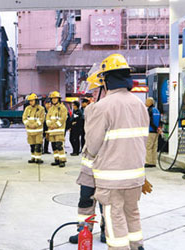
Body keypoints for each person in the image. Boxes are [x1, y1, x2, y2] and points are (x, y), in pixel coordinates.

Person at [86, 54, 151, 250]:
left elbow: (92, 147)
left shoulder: (102, 107)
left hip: (111, 178)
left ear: (106, 79)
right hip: (135, 176)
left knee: (115, 218)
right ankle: (137, 246)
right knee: (132, 212)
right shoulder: (139, 104)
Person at [69, 65, 107, 245]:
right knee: (85, 199)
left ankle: (106, 230)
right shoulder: (91, 110)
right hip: (89, 167)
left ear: (104, 89)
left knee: (105, 202)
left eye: (94, 91)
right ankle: (84, 230)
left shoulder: (111, 109)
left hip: (107, 166)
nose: (91, 95)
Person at [46, 91, 68, 167]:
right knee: (54, 146)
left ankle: (62, 160)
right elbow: (47, 118)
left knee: (59, 146)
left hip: (59, 131)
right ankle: (57, 159)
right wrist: (49, 124)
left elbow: (63, 119)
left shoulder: (62, 108)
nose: (54, 100)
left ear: (59, 99)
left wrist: (54, 125)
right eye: (53, 99)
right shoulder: (51, 109)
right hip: (52, 131)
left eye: (55, 98)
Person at [22, 93, 45, 163]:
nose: (31, 102)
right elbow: (24, 118)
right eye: (30, 101)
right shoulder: (27, 109)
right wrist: (29, 124)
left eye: (32, 101)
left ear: (36, 101)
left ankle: (38, 158)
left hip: (38, 131)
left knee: (38, 145)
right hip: (30, 131)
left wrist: (35, 125)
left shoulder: (41, 109)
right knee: (32, 145)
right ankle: (33, 157)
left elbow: (41, 119)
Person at [145, 97, 161, 168]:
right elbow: (159, 121)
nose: (145, 103)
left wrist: (155, 128)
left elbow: (150, 121)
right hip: (156, 132)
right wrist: (158, 129)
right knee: (154, 147)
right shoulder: (157, 110)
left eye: (147, 101)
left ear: (150, 102)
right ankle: (154, 162)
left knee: (148, 147)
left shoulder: (150, 110)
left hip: (151, 131)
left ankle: (149, 162)